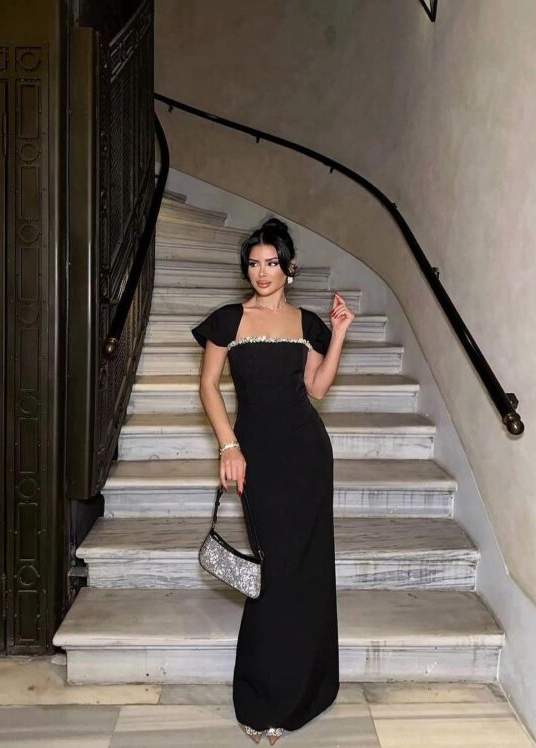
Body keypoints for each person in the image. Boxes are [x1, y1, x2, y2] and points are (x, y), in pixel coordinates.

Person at [191, 217, 354, 744]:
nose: (262, 272)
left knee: (303, 572)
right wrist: (228, 445)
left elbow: (319, 389)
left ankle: (304, 692)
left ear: (289, 267)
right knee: (273, 571)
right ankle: (259, 696)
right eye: (254, 263)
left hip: (306, 456)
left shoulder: (306, 322)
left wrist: (340, 334)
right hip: (256, 455)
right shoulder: (227, 320)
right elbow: (208, 387)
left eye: (271, 263)